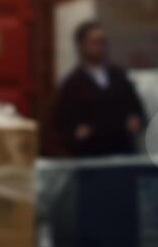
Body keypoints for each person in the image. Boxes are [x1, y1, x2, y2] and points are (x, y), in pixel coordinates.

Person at [54, 20, 147, 157]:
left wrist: (136, 120)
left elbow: (137, 110)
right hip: (90, 155)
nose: (100, 46)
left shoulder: (119, 76)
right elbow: (61, 122)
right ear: (82, 45)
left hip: (122, 151)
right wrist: (75, 132)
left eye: (102, 41)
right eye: (94, 42)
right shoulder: (73, 83)